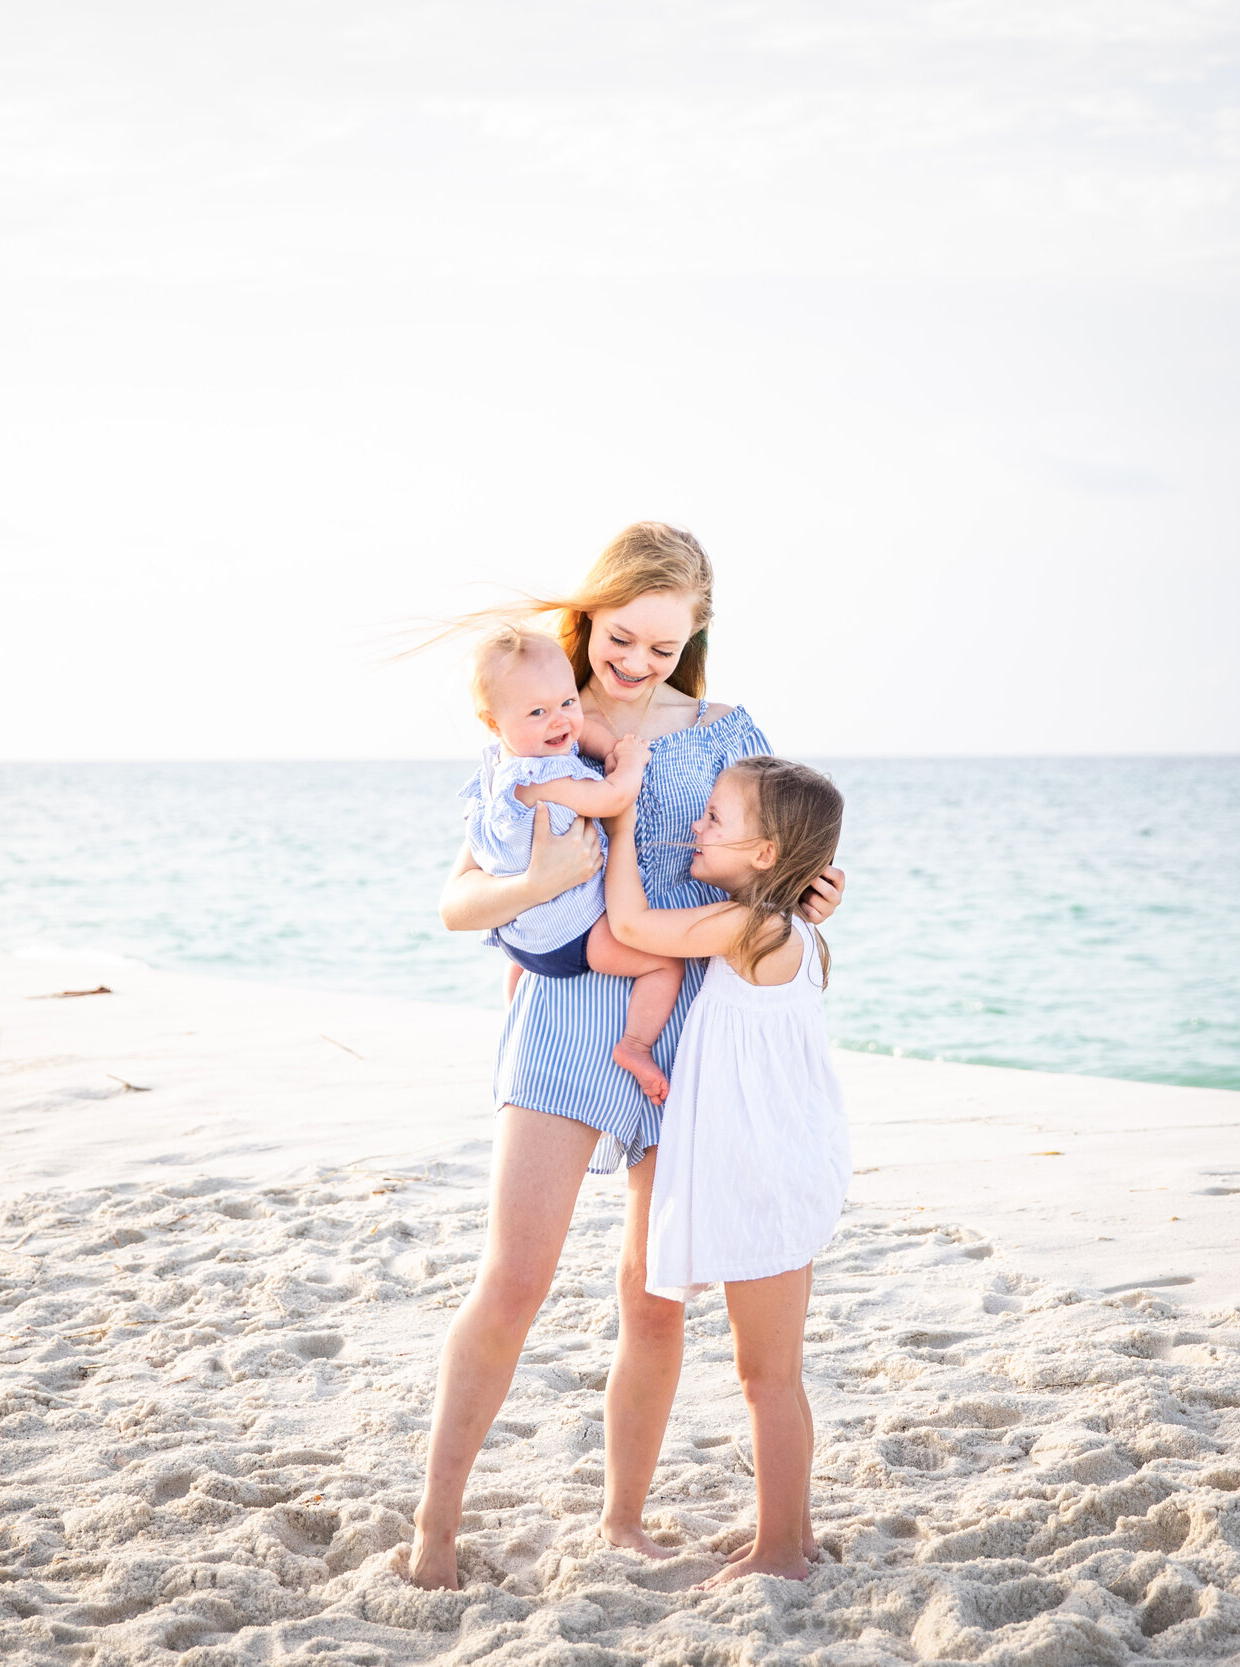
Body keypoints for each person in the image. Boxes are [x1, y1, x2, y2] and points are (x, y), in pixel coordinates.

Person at [412, 521, 845, 1590]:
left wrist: (822, 892)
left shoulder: (729, 727)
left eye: (663, 646)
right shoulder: (542, 714)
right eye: (623, 636)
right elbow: (457, 898)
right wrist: (527, 891)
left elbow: (773, 847)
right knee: (512, 1279)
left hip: (685, 1027)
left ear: (691, 637)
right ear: (594, 611)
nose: (637, 663)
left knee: (653, 1297)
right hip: (563, 1012)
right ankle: (432, 1526)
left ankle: (623, 1519)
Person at [602, 756, 848, 1585]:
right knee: (777, 1370)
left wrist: (623, 814)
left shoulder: (751, 927)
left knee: (765, 1375)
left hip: (764, 1175)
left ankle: (779, 1550)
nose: (698, 828)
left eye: (715, 818)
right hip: (785, 1164)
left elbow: (634, 924)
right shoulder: (796, 933)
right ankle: (796, 1531)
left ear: (767, 852)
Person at [459, 623, 683, 1103]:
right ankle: (636, 1045)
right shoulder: (540, 778)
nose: (560, 721)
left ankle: (514, 1010)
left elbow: (584, 734)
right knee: (664, 965)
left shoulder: (501, 767)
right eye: (538, 712)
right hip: (573, 934)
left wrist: (598, 740)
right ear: (494, 722)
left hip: (521, 945)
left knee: (523, 976)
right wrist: (632, 759)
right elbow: (612, 798)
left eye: (567, 703)